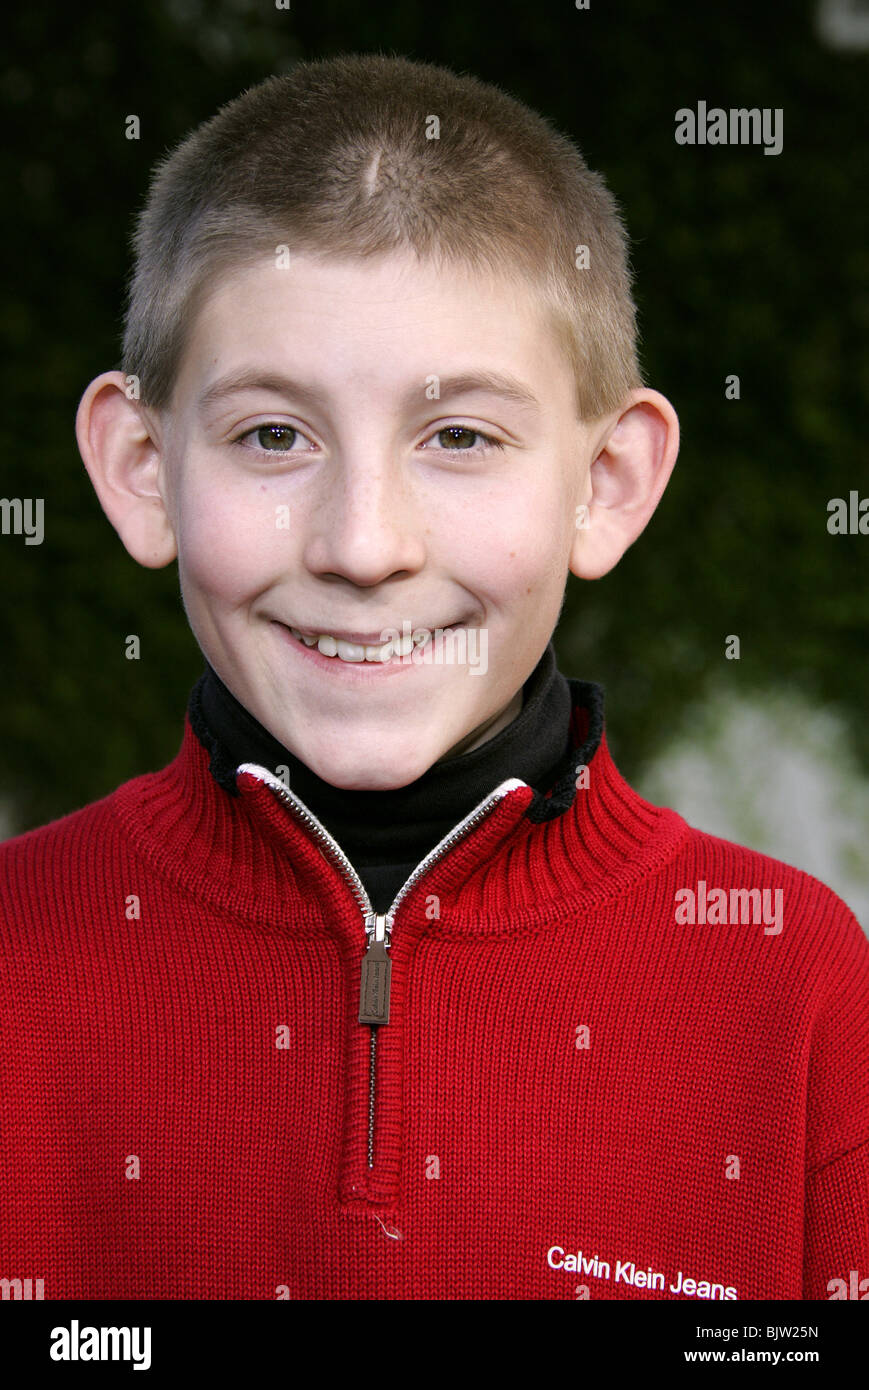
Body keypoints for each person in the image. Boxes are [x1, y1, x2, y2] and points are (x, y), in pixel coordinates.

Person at [0, 52, 865, 1301]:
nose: (363, 545)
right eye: (272, 435)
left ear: (605, 484)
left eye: (459, 436)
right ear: (142, 466)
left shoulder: (791, 988)